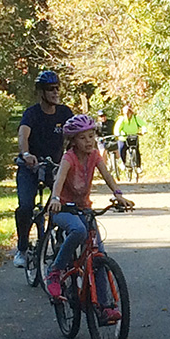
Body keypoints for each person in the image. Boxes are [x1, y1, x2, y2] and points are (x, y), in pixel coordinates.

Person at [45, 115, 133, 322]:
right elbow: (59, 180)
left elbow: (107, 175)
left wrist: (118, 194)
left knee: (99, 256)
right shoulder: (69, 158)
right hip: (63, 209)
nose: (89, 141)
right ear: (73, 141)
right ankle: (55, 270)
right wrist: (55, 198)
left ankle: (104, 307)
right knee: (79, 231)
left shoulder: (94, 155)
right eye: (83, 138)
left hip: (84, 209)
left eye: (91, 136)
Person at [13, 70, 73, 269]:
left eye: (57, 88)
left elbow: (76, 134)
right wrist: (26, 154)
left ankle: (59, 237)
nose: (55, 92)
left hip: (54, 168)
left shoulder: (65, 113)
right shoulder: (32, 114)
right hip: (31, 167)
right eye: (50, 89)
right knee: (25, 207)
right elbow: (23, 135)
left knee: (66, 203)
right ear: (42, 92)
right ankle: (22, 249)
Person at [114, 104, 145, 168]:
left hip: (133, 137)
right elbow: (117, 127)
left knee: (136, 150)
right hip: (124, 138)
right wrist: (117, 133)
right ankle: (123, 162)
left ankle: (138, 166)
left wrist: (144, 130)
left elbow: (143, 124)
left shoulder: (136, 118)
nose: (127, 115)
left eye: (128, 113)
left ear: (131, 112)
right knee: (122, 148)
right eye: (125, 113)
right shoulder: (122, 119)